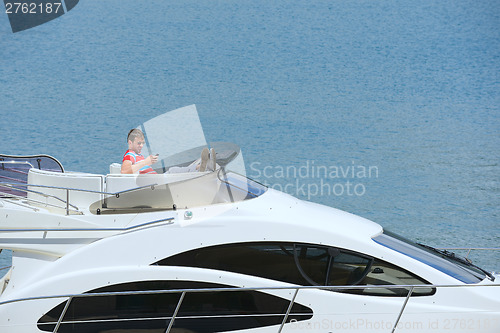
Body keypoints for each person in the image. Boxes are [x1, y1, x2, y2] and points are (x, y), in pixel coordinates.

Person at [121, 129, 216, 174]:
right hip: (154, 184)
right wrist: (146, 162)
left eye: (142, 143)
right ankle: (202, 167)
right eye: (138, 143)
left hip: (155, 181)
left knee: (177, 170)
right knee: (174, 171)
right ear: (130, 142)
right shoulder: (130, 155)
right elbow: (124, 171)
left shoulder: (138, 155)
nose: (141, 146)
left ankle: (202, 166)